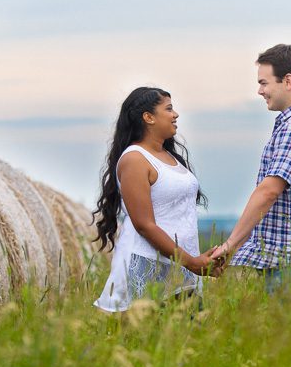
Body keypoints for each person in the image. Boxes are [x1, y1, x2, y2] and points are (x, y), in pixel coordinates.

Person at [210, 44, 291, 290]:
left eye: (264, 83)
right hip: (287, 262)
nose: (259, 91)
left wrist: (229, 245)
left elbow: (269, 191)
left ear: (288, 81)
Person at [93, 87, 217, 312]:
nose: (175, 114)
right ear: (148, 117)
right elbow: (144, 225)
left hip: (180, 266)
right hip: (149, 264)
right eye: (168, 109)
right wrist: (191, 261)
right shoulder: (135, 160)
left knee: (187, 339)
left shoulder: (169, 156)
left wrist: (197, 260)